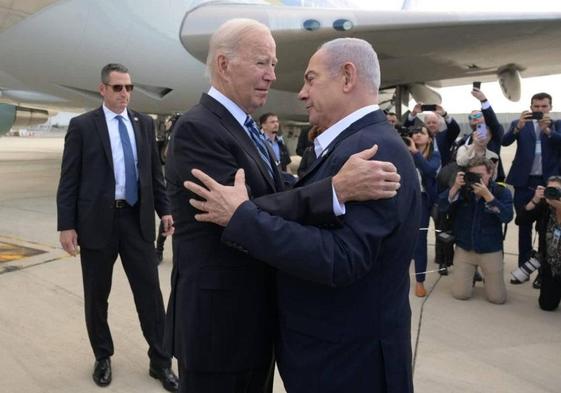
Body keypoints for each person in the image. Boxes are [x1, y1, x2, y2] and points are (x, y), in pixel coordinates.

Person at [165, 20, 401, 393]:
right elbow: (246, 213)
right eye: (262, 63)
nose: (273, 76)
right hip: (220, 327)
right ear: (224, 65)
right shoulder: (199, 128)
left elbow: (273, 190)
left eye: (273, 65)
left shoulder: (242, 125)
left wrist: (327, 187)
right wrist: (334, 190)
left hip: (252, 321)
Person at [56, 63, 178, 391]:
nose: (125, 93)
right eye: (117, 88)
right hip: (97, 223)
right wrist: (66, 225)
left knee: (150, 293)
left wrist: (165, 210)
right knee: (97, 295)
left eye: (129, 87)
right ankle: (103, 355)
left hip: (136, 220)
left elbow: (155, 175)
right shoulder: (83, 126)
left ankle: (161, 361)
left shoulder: (144, 124)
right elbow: (69, 179)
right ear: (102, 90)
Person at [502, 92, 561, 285]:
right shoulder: (520, 123)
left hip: (548, 182)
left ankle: (543, 274)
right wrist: (517, 127)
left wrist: (549, 132)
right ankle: (523, 268)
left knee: (545, 228)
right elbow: (505, 141)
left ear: (550, 107)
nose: (539, 110)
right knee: (523, 225)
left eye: (544, 106)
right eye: (536, 107)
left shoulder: (557, 125)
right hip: (524, 182)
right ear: (531, 107)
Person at [439, 157, 513, 304]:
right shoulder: (463, 191)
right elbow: (441, 206)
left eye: (481, 175)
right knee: (460, 294)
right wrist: (454, 187)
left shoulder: (500, 192)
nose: (477, 179)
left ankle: (488, 279)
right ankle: (468, 276)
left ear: (490, 173)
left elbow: (507, 217)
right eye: (473, 176)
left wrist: (488, 196)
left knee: (497, 298)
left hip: (490, 249)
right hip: (465, 248)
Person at [516, 177, 561, 311]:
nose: (553, 193)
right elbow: (520, 220)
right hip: (551, 265)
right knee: (547, 305)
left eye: (557, 190)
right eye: (550, 189)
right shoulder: (544, 206)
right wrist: (535, 200)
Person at [406, 126, 441, 297]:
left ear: (429, 138)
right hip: (403, 199)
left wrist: (415, 153)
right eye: (414, 132)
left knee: (420, 240)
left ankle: (419, 281)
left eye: (422, 132)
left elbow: (429, 170)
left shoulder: (434, 155)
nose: (418, 134)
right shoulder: (403, 152)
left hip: (423, 201)